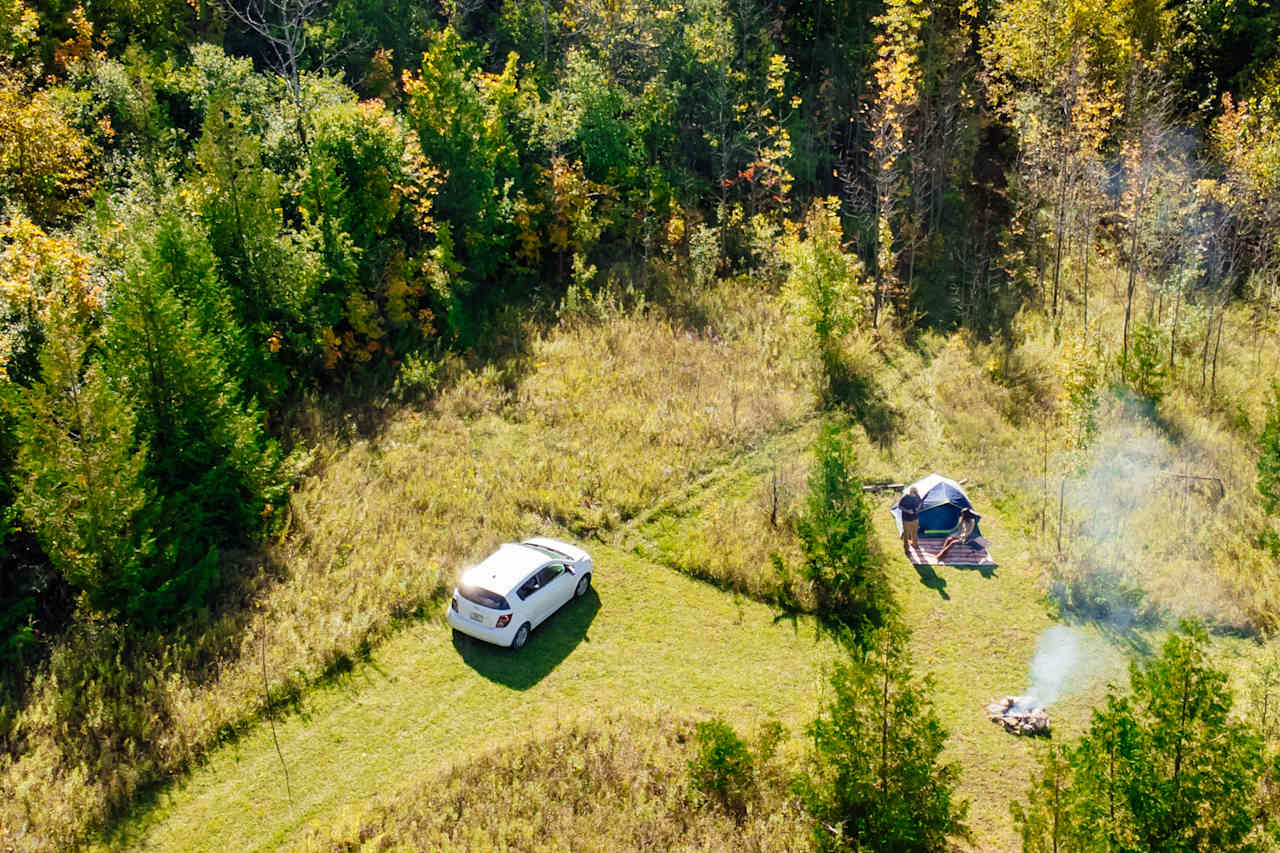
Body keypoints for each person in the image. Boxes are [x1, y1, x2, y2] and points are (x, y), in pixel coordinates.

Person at [898, 487, 922, 554]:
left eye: (916, 493)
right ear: (910, 492)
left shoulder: (917, 496)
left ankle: (914, 544)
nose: (915, 495)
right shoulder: (905, 498)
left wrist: (918, 508)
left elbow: (920, 502)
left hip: (915, 518)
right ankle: (906, 549)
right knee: (906, 534)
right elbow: (899, 506)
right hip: (906, 519)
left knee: (915, 532)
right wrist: (907, 511)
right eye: (914, 493)